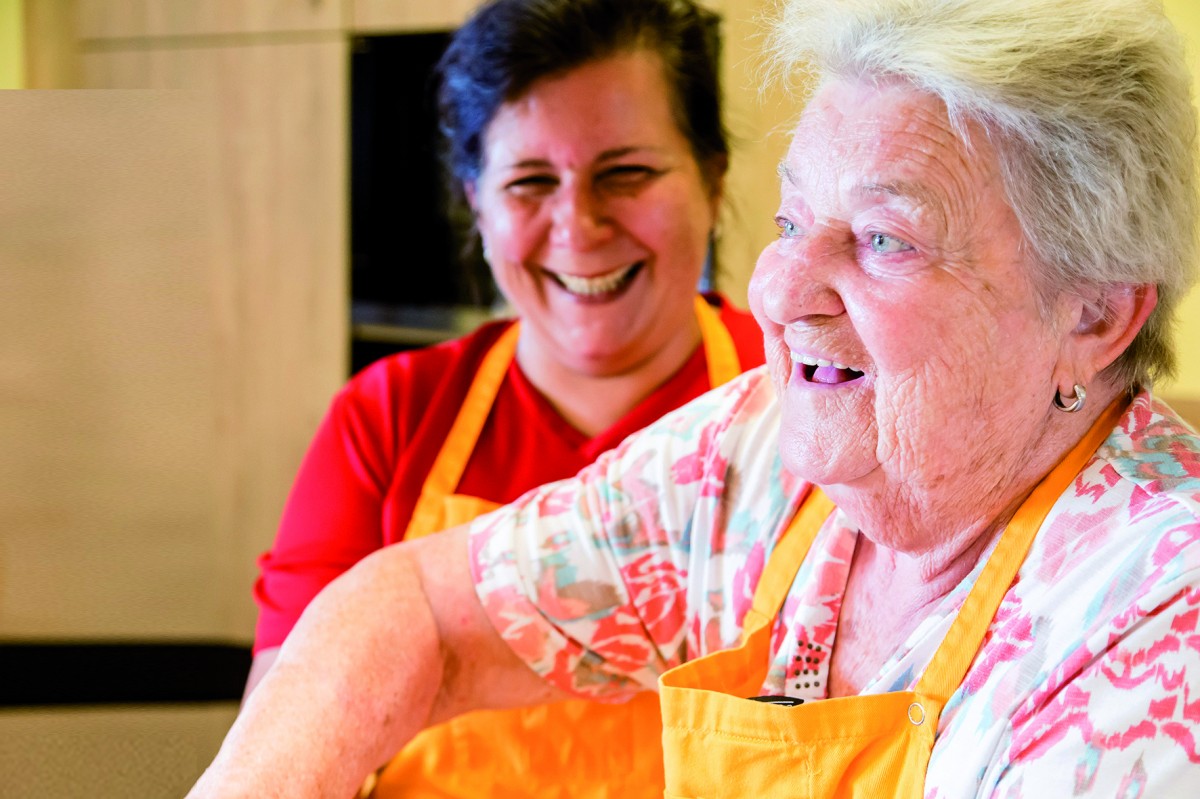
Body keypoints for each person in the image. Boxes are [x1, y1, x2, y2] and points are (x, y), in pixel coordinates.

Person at [194, 0, 1200, 795]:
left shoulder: (1159, 635)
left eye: (886, 239)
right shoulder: (754, 459)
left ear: (1097, 314)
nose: (776, 289)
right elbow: (417, 611)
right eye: (794, 217)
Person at [245, 0, 764, 796]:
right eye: (528, 182)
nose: (579, 225)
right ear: (476, 203)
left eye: (627, 173)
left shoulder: (805, 398)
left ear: (712, 173)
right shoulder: (388, 419)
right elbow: (288, 745)